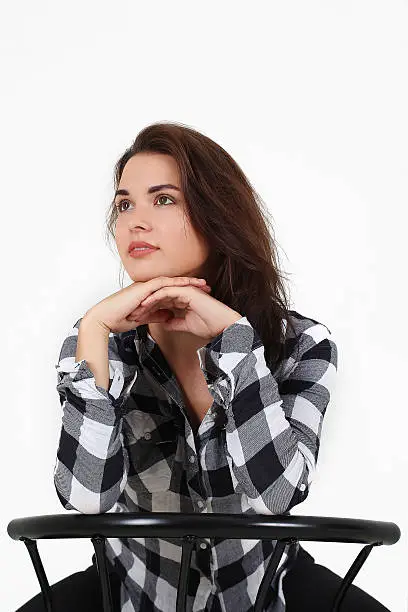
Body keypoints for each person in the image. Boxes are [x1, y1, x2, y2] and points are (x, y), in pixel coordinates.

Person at [16, 122, 390, 611]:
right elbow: (88, 498)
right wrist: (92, 329)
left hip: (266, 593)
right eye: (124, 204)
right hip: (130, 593)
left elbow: (276, 494)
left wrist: (236, 342)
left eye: (164, 199)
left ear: (218, 214)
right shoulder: (98, 343)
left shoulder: (302, 345)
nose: (135, 222)